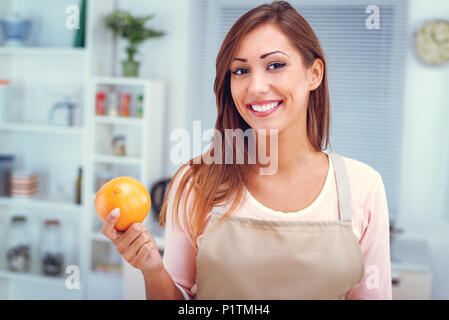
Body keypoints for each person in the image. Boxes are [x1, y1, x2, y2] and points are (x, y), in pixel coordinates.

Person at [102, 0, 392, 300]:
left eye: (275, 65)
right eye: (240, 70)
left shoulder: (363, 186)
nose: (255, 87)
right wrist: (152, 270)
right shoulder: (195, 182)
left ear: (314, 74)